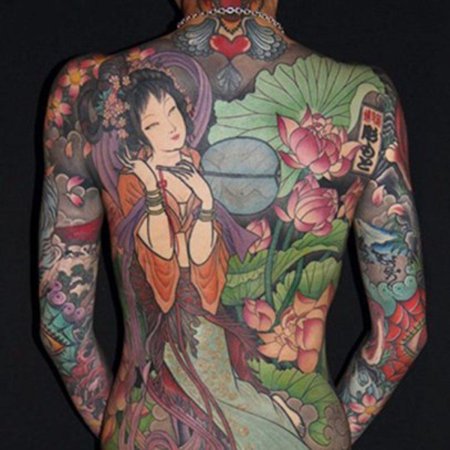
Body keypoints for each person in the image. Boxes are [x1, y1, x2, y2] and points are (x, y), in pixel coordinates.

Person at [38, 1, 428, 449]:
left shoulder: (83, 88)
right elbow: (404, 332)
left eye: (173, 115)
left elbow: (61, 327)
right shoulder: (367, 94)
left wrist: (119, 431)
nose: (171, 128)